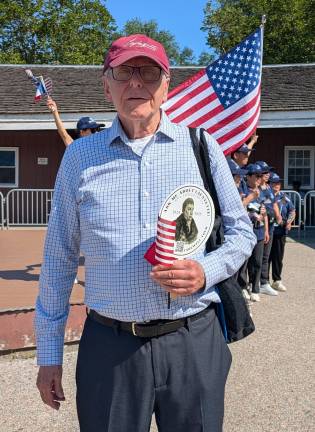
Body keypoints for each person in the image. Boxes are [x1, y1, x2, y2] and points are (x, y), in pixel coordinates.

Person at [35, 34, 256, 432]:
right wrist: (48, 354)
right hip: (110, 347)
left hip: (193, 339)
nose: (136, 82)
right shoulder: (80, 157)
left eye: (149, 71)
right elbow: (58, 259)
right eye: (124, 71)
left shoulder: (202, 146)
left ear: (166, 84)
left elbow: (242, 233)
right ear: (107, 85)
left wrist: (205, 270)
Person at [256, 161, 282, 297]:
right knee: (257, 258)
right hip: (259, 226)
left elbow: (274, 203)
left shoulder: (269, 188)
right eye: (265, 172)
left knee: (266, 256)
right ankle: (254, 283)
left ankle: (264, 282)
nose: (268, 174)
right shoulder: (257, 188)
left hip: (270, 226)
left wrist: (278, 216)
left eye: (268, 172)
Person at [244, 163, 268, 302]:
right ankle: (244, 286)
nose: (260, 178)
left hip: (259, 231)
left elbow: (264, 212)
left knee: (257, 261)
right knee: (245, 262)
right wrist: (252, 215)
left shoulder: (261, 192)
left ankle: (255, 288)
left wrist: (266, 231)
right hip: (247, 231)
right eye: (257, 176)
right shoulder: (245, 191)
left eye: (261, 176)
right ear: (250, 176)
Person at [269, 173, 296, 292]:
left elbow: (292, 210)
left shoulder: (284, 197)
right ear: (269, 184)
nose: (277, 185)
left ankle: (276, 281)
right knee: (265, 258)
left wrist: (289, 222)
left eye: (278, 183)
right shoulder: (266, 196)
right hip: (269, 231)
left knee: (278, 257)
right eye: (274, 182)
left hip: (280, 231)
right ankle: (261, 281)